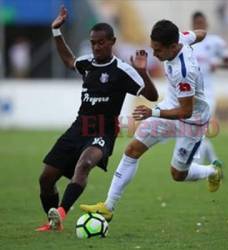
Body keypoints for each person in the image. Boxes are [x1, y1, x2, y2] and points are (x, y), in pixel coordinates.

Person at [80, 20, 224, 222]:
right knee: (132, 150)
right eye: (153, 48)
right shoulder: (181, 38)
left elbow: (185, 110)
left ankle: (212, 170)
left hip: (192, 121)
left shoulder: (185, 71)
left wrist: (153, 113)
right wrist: (194, 36)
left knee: (178, 174)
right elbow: (201, 33)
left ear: (173, 47)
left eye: (158, 50)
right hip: (169, 108)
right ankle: (108, 207)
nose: (154, 55)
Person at [36, 6, 158, 232]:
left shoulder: (123, 70)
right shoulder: (87, 63)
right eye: (93, 43)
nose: (96, 47)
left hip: (103, 131)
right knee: (46, 179)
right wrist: (56, 32)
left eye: (101, 42)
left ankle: (61, 212)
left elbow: (152, 95)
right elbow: (69, 61)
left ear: (112, 42)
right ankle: (53, 223)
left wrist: (142, 72)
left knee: (84, 165)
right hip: (78, 128)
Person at [192, 11, 228, 164]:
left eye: (202, 23)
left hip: (208, 93)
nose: (200, 25)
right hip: (191, 95)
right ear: (193, 24)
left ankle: (197, 166)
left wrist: (218, 64)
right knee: (194, 130)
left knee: (199, 129)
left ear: (206, 24)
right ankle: (214, 162)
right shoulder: (188, 43)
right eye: (197, 23)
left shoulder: (216, 42)